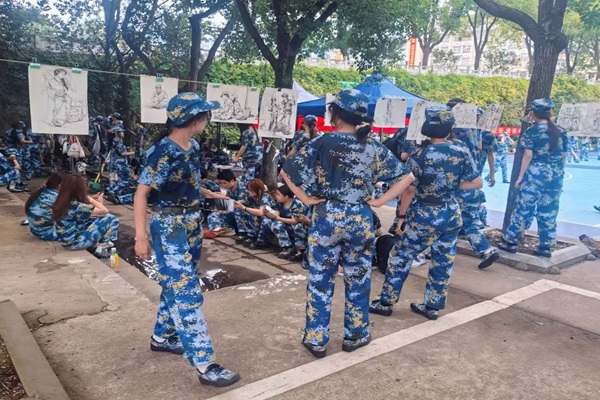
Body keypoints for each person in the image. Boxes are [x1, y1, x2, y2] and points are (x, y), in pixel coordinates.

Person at [281, 89, 415, 358]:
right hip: (360, 218)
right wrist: (380, 201)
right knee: (358, 278)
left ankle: (316, 338)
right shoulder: (373, 146)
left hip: (326, 217)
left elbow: (287, 172)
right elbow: (407, 177)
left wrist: (305, 198)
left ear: (335, 113)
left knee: (320, 279)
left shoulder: (321, 142)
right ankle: (355, 334)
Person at [133, 92, 239, 387]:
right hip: (169, 227)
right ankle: (206, 364)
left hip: (192, 222)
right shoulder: (161, 151)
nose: (207, 120)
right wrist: (141, 237)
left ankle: (161, 337)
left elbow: (189, 184)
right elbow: (141, 194)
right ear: (194, 119)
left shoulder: (193, 147)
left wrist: (213, 196)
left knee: (176, 284)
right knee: (186, 292)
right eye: (205, 115)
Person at [370, 106, 482, 320]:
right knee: (442, 260)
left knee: (401, 256)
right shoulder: (461, 151)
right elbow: (477, 182)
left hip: (425, 213)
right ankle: (432, 306)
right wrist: (450, 186)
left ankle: (386, 302)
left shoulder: (420, 154)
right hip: (451, 212)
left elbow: (409, 189)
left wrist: (401, 217)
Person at [499, 99, 569, 258]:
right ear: (550, 112)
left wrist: (520, 176)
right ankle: (546, 246)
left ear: (532, 113)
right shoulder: (561, 131)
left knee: (523, 208)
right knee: (549, 210)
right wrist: (558, 172)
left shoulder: (531, 131)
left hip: (535, 175)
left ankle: (511, 241)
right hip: (556, 176)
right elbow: (564, 155)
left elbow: (528, 155)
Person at [447, 98, 499, 270]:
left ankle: (441, 252)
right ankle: (486, 250)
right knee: (469, 221)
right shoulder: (478, 132)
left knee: (447, 220)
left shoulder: (452, 132)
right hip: (474, 183)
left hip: (457, 184)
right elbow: (486, 153)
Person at [53, 174, 119, 253]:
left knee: (94, 218)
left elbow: (84, 210)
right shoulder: (75, 205)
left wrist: (93, 202)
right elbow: (104, 210)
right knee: (111, 218)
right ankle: (104, 245)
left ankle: (101, 243)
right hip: (76, 243)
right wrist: (89, 199)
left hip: (67, 241)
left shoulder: (62, 201)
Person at [253, 184, 307, 259]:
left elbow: (294, 221)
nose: (276, 196)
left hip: (296, 228)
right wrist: (269, 213)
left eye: (278, 194)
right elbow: (276, 214)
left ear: (286, 196)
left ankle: (293, 249)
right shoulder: (279, 203)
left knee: (277, 224)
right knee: (268, 221)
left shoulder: (297, 204)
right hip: (285, 225)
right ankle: (262, 242)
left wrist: (278, 218)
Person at [205, 169, 248, 239]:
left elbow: (239, 205)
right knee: (213, 214)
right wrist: (220, 208)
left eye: (224, 183)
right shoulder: (230, 188)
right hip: (233, 210)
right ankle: (217, 230)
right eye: (220, 183)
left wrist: (223, 207)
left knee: (238, 211)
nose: (222, 185)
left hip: (244, 212)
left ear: (232, 181)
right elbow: (229, 201)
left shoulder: (242, 188)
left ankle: (241, 233)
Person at [233, 178, 275, 246]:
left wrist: (244, 208)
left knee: (253, 214)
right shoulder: (252, 196)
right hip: (257, 218)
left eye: (251, 191)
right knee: (239, 211)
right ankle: (243, 233)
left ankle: (255, 237)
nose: (249, 192)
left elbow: (260, 212)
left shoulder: (265, 197)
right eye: (248, 190)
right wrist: (237, 203)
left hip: (268, 218)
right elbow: (244, 202)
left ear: (259, 190)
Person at [25, 173, 63, 241]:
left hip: (35, 229)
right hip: (47, 233)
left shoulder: (44, 191)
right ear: (59, 185)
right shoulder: (56, 196)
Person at [105, 125, 135, 197]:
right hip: (120, 163)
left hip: (119, 163)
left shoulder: (117, 141)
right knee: (126, 178)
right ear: (118, 132)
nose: (123, 133)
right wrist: (133, 153)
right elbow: (122, 153)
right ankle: (113, 191)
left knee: (119, 179)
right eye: (122, 132)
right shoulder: (117, 141)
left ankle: (109, 189)